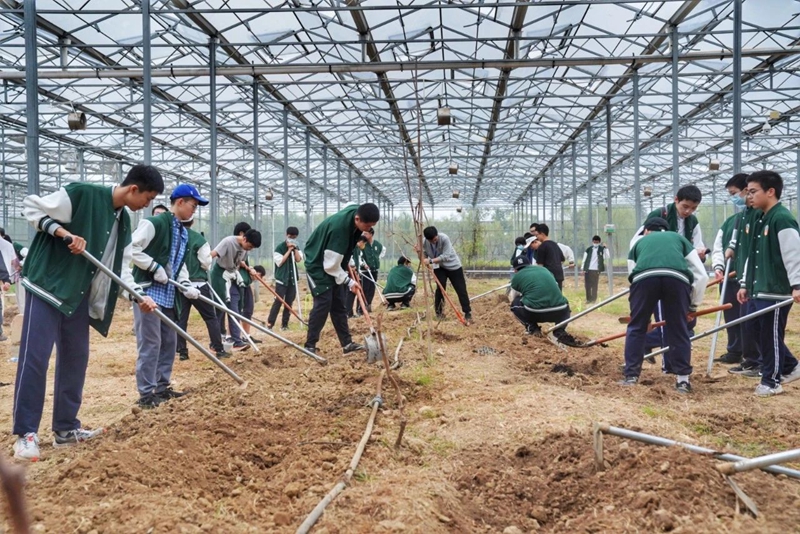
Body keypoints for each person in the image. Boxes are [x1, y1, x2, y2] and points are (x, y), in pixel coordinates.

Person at [12, 164, 163, 461]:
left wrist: (138, 296)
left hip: (76, 296)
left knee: (76, 358)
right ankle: (26, 433)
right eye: (147, 198)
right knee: (36, 358)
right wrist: (63, 231)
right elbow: (31, 207)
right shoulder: (83, 193)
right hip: (48, 286)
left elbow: (119, 268)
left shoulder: (123, 223)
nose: (147, 205)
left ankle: (66, 429)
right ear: (134, 189)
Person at [130, 184, 206, 409]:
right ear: (180, 202)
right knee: (150, 343)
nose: (194, 210)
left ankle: (162, 387)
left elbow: (178, 261)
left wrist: (185, 284)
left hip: (169, 294)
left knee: (169, 342)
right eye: (193, 205)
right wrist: (154, 267)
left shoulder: (183, 232)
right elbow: (131, 248)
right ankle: (146, 394)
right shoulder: (154, 224)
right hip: (148, 292)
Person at [621, 217, 708, 394]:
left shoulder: (639, 243)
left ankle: (631, 376)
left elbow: (632, 275)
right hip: (677, 280)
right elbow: (701, 275)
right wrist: (692, 306)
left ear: (646, 231)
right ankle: (683, 380)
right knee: (678, 328)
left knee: (636, 328)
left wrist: (641, 315)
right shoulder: (679, 239)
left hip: (644, 279)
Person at [737, 171, 800, 397]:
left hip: (775, 290)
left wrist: (797, 284)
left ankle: (771, 381)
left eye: (753, 192)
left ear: (770, 192)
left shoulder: (781, 218)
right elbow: (751, 255)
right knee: (753, 329)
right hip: (757, 287)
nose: (749, 197)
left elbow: (794, 253)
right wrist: (745, 283)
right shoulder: (760, 218)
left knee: (770, 334)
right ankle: (791, 365)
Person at [303, 203, 380, 355]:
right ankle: (309, 345)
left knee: (339, 304)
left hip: (333, 263)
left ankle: (347, 344)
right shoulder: (340, 230)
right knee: (323, 304)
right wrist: (349, 281)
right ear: (357, 219)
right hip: (318, 265)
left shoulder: (355, 213)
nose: (368, 230)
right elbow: (330, 266)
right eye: (367, 226)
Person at [724, 176, 765, 377]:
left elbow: (753, 251)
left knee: (753, 322)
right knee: (746, 321)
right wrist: (731, 247)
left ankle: (759, 362)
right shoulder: (744, 215)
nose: (739, 198)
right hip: (745, 278)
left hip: (755, 281)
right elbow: (740, 239)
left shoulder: (761, 216)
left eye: (736, 194)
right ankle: (752, 360)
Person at [175, 217, 229, 361]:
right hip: (198, 285)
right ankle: (219, 349)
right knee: (211, 317)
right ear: (192, 222)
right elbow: (206, 263)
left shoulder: (174, 236)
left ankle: (182, 351)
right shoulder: (199, 239)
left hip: (180, 285)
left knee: (181, 319)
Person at [710, 173, 748, 366]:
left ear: (746, 190)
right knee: (731, 315)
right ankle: (734, 351)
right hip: (728, 278)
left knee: (747, 316)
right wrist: (718, 267)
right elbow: (718, 247)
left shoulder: (756, 219)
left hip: (746, 279)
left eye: (734, 193)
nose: (733, 198)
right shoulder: (730, 222)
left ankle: (751, 356)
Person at [209, 228, 261, 351]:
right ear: (244, 238)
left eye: (252, 247)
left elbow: (239, 261)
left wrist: (247, 267)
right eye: (250, 246)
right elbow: (213, 254)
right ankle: (214, 342)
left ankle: (236, 341)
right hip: (220, 275)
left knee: (235, 308)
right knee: (219, 309)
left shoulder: (245, 248)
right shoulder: (228, 242)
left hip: (232, 276)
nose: (250, 249)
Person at [509, 255, 579, 347]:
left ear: (515, 270)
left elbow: (513, 297)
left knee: (514, 305)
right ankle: (559, 330)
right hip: (560, 311)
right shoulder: (545, 270)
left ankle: (532, 328)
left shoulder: (516, 278)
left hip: (535, 313)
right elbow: (556, 285)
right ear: (530, 265)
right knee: (564, 303)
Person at [417, 226, 473, 324]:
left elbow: (446, 256)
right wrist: (419, 253)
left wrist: (430, 261)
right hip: (439, 267)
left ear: (437, 235)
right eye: (431, 241)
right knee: (440, 288)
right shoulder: (424, 242)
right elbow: (424, 255)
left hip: (453, 267)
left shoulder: (444, 238)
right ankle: (439, 313)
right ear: (427, 239)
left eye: (435, 240)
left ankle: (467, 312)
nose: (434, 242)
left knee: (461, 289)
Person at [267, 226, 303, 331]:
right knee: (278, 301)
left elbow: (298, 259)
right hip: (281, 280)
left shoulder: (297, 247)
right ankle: (270, 323)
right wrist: (288, 250)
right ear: (286, 235)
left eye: (294, 237)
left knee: (289, 302)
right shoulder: (279, 248)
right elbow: (280, 262)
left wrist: (294, 249)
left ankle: (285, 325)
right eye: (290, 236)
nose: (292, 239)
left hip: (292, 280)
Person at [233, 222, 259, 343]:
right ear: (242, 234)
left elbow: (244, 262)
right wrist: (246, 267)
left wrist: (250, 268)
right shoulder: (234, 246)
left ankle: (246, 335)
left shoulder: (245, 248)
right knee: (237, 310)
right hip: (236, 282)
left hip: (245, 282)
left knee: (248, 308)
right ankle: (235, 336)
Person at [532, 224, 565, 290]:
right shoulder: (555, 244)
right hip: (559, 275)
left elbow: (540, 266)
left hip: (548, 277)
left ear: (542, 234)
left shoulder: (542, 247)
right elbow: (562, 259)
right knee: (558, 296)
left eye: (537, 235)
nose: (536, 237)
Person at [346, 235, 370, 317]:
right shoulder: (352, 248)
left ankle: (353, 312)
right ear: (360, 242)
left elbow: (359, 259)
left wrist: (363, 265)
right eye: (364, 243)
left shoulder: (358, 250)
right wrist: (352, 266)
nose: (364, 245)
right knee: (351, 292)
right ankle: (348, 312)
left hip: (357, 272)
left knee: (356, 292)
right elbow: (349, 258)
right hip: (351, 272)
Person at [362, 228, 385, 311]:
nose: (364, 235)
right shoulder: (363, 244)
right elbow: (359, 256)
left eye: (366, 233)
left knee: (372, 288)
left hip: (374, 270)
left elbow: (382, 251)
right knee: (365, 288)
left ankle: (369, 305)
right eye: (363, 233)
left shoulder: (377, 244)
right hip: (365, 271)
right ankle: (363, 306)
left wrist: (377, 259)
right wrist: (363, 264)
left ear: (371, 234)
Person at [582, 235, 609, 303]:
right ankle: (588, 299)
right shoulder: (588, 249)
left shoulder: (602, 249)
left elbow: (607, 257)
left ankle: (593, 299)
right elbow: (584, 259)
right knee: (587, 286)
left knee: (594, 285)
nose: (595, 243)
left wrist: (605, 248)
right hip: (588, 270)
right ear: (592, 242)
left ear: (599, 242)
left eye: (597, 242)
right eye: (594, 242)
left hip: (596, 270)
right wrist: (583, 268)